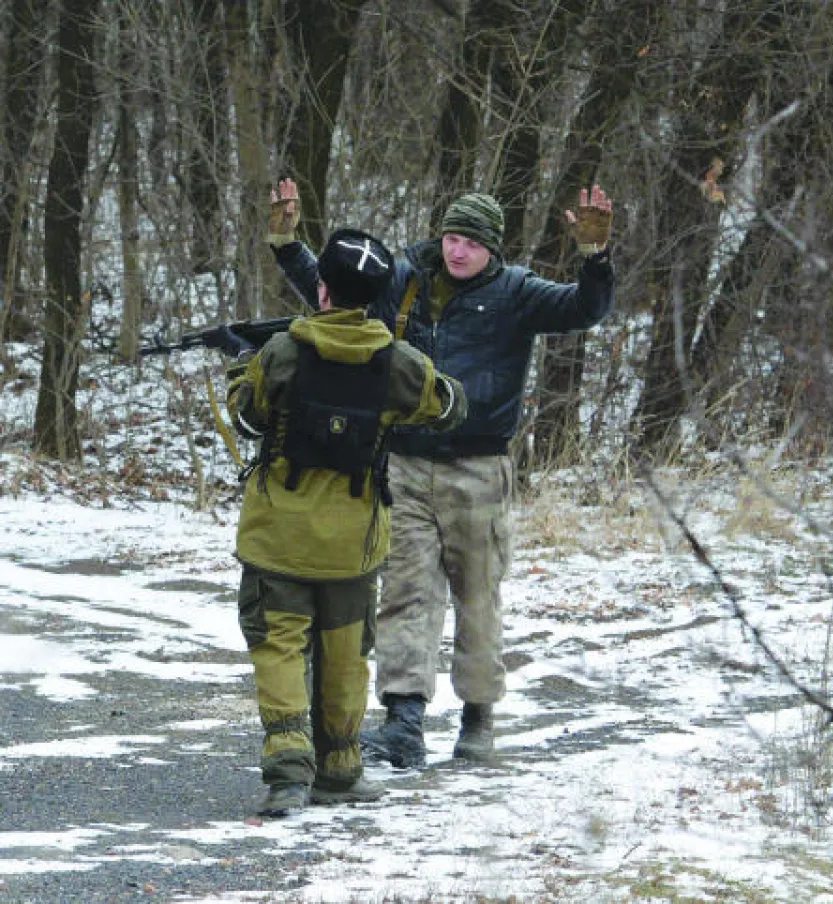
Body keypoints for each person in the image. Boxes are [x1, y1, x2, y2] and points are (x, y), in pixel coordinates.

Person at [267, 179, 615, 766]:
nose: (457, 252)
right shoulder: (405, 281)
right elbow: (336, 295)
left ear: (492, 250)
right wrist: (286, 244)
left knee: (477, 596)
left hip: (478, 470)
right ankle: (404, 722)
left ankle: (478, 719)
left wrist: (595, 259)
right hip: (403, 463)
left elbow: (583, 310)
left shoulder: (516, 293)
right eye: (452, 237)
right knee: (405, 593)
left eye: (471, 244)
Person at [228, 228, 467, 817]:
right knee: (345, 656)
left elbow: (249, 416)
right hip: (353, 544)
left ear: (323, 289)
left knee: (279, 649)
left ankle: (287, 775)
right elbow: (449, 405)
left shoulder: (282, 352)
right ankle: (340, 770)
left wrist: (240, 368)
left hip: (277, 537)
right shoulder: (398, 365)